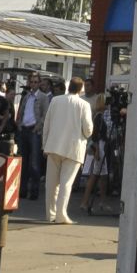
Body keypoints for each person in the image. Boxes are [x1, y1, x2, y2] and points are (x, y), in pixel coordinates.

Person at [41, 76, 93, 225]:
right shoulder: (84, 105)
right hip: (73, 148)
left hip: (53, 146)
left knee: (51, 183)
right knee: (66, 183)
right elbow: (88, 130)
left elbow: (47, 123)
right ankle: (61, 215)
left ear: (69, 86)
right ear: (81, 89)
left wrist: (44, 145)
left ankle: (49, 214)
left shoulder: (56, 100)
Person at [14, 71, 47, 201]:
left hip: (34, 131)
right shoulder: (27, 96)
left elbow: (45, 115)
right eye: (31, 82)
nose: (33, 84)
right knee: (23, 161)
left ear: (39, 83)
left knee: (34, 163)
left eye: (35, 82)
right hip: (24, 130)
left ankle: (34, 191)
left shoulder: (43, 97)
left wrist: (37, 128)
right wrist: (19, 124)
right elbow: (21, 111)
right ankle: (22, 190)